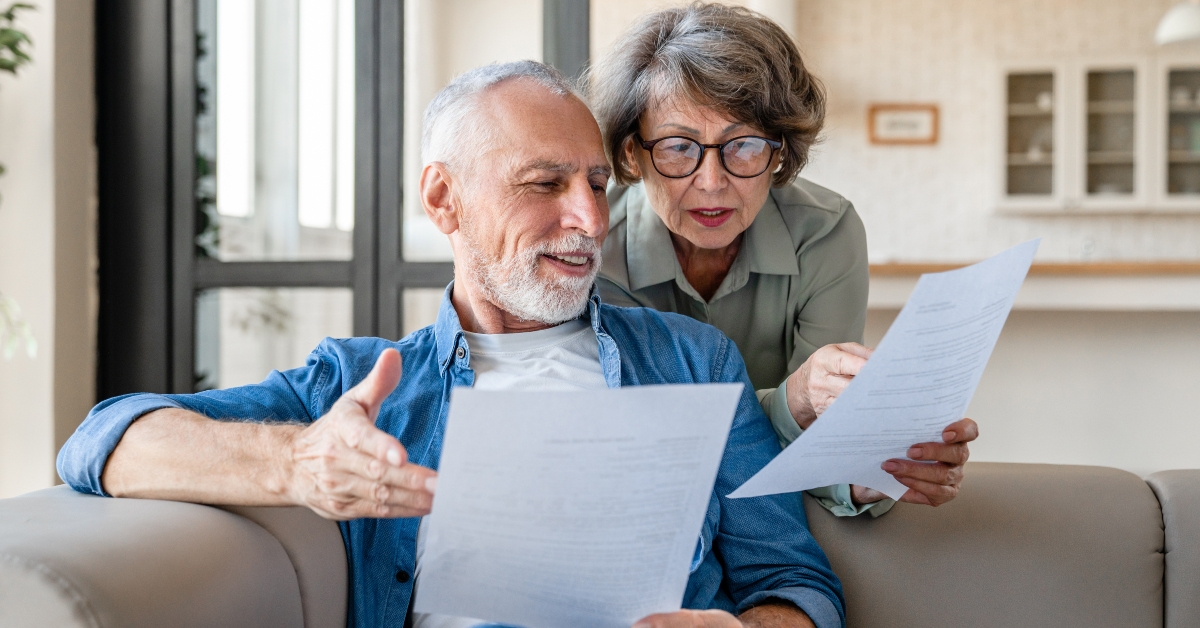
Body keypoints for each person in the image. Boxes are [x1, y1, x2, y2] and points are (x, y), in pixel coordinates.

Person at [58, 62, 844, 628]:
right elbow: (100, 442)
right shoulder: (364, 381)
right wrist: (296, 463)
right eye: (545, 185)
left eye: (597, 185)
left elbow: (796, 583)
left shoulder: (694, 362)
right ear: (444, 200)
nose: (591, 221)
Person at [589, 3, 976, 516]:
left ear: (780, 154)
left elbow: (828, 441)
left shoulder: (826, 231)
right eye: (679, 147)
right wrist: (792, 403)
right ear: (633, 153)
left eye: (745, 146)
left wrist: (865, 476)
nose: (711, 182)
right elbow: (645, 442)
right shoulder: (593, 246)